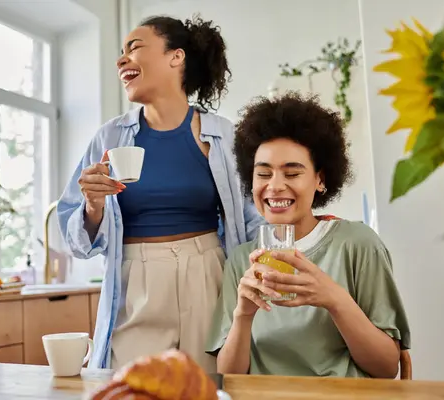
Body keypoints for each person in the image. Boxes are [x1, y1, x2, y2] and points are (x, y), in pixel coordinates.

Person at [57, 15, 263, 372]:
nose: (122, 59)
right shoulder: (109, 138)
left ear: (176, 57)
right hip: (136, 281)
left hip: (209, 275)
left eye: (134, 47)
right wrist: (93, 206)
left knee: (210, 387)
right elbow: (76, 241)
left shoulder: (224, 135)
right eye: (120, 53)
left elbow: (255, 218)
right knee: (134, 387)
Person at [206, 92, 411, 378]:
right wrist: (243, 315)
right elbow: (230, 377)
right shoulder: (243, 259)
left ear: (320, 180)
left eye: (292, 173)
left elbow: (386, 368)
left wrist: (334, 299)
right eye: (263, 174)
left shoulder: (357, 244)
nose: (275, 186)